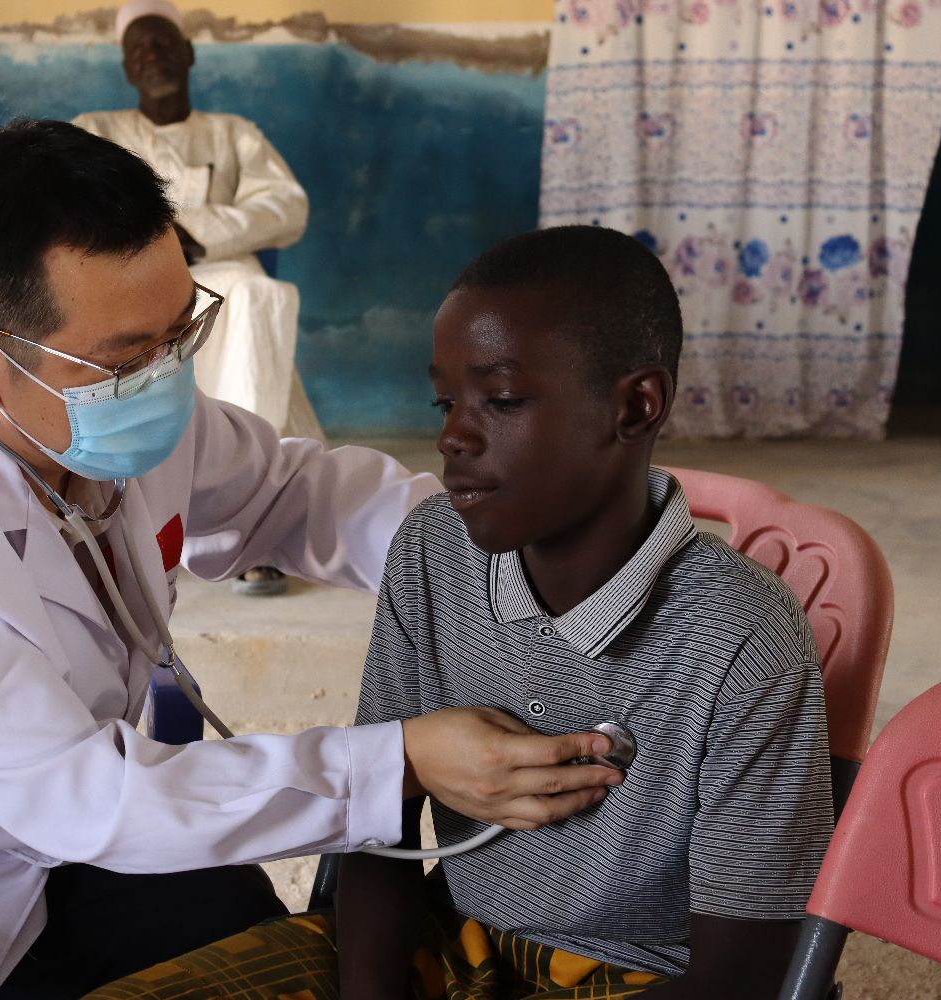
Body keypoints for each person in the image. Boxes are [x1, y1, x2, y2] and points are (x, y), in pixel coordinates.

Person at [0, 121, 626, 999]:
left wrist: (504, 542)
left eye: (179, 332)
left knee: (260, 953)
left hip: (42, 843)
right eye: (126, 357)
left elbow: (295, 493)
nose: (166, 374)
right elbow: (87, 797)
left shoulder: (96, 409)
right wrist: (399, 760)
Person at [86, 226, 836, 1000]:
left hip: (641, 980)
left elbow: (742, 976)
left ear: (635, 406)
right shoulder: (433, 551)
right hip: (454, 943)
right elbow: (379, 825)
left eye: (501, 401)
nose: (452, 437)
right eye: (445, 402)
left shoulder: (743, 634)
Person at [74, 0, 318, 596]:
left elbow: (286, 206)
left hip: (223, 268)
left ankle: (248, 518)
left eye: (162, 43)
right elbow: (71, 207)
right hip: (130, 276)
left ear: (188, 53)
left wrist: (200, 232)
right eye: (138, 49)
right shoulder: (95, 132)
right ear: (126, 68)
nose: (152, 56)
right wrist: (157, 238)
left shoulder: (234, 134)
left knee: (258, 295)